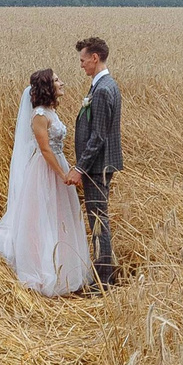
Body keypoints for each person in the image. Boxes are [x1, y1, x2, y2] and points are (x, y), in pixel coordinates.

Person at [0, 67, 96, 296]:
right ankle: (42, 269)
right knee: (42, 219)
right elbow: (45, 149)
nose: (62, 83)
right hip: (46, 171)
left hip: (58, 166)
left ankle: (64, 270)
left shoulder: (50, 112)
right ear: (48, 86)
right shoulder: (39, 115)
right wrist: (62, 174)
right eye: (57, 80)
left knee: (60, 217)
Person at [73, 36, 122, 287]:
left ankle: (103, 281)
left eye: (83, 60)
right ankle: (103, 275)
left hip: (97, 166)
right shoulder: (103, 85)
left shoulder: (102, 90)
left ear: (95, 58)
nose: (81, 65)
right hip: (99, 164)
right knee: (98, 219)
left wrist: (80, 167)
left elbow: (99, 135)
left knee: (99, 222)